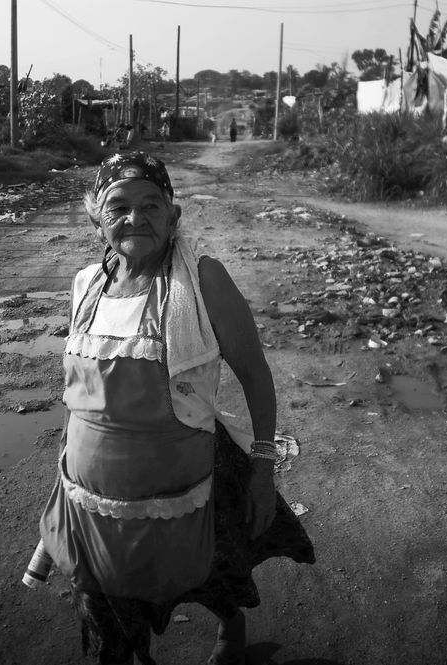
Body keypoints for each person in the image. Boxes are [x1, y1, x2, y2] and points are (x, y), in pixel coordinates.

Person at [33, 152, 315, 665]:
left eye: (151, 206)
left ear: (173, 216)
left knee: (213, 573)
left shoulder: (204, 281)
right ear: (97, 216)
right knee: (110, 612)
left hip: (187, 486)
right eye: (118, 207)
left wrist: (262, 467)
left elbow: (255, 374)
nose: (135, 219)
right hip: (94, 500)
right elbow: (82, 395)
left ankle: (233, 634)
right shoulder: (85, 285)